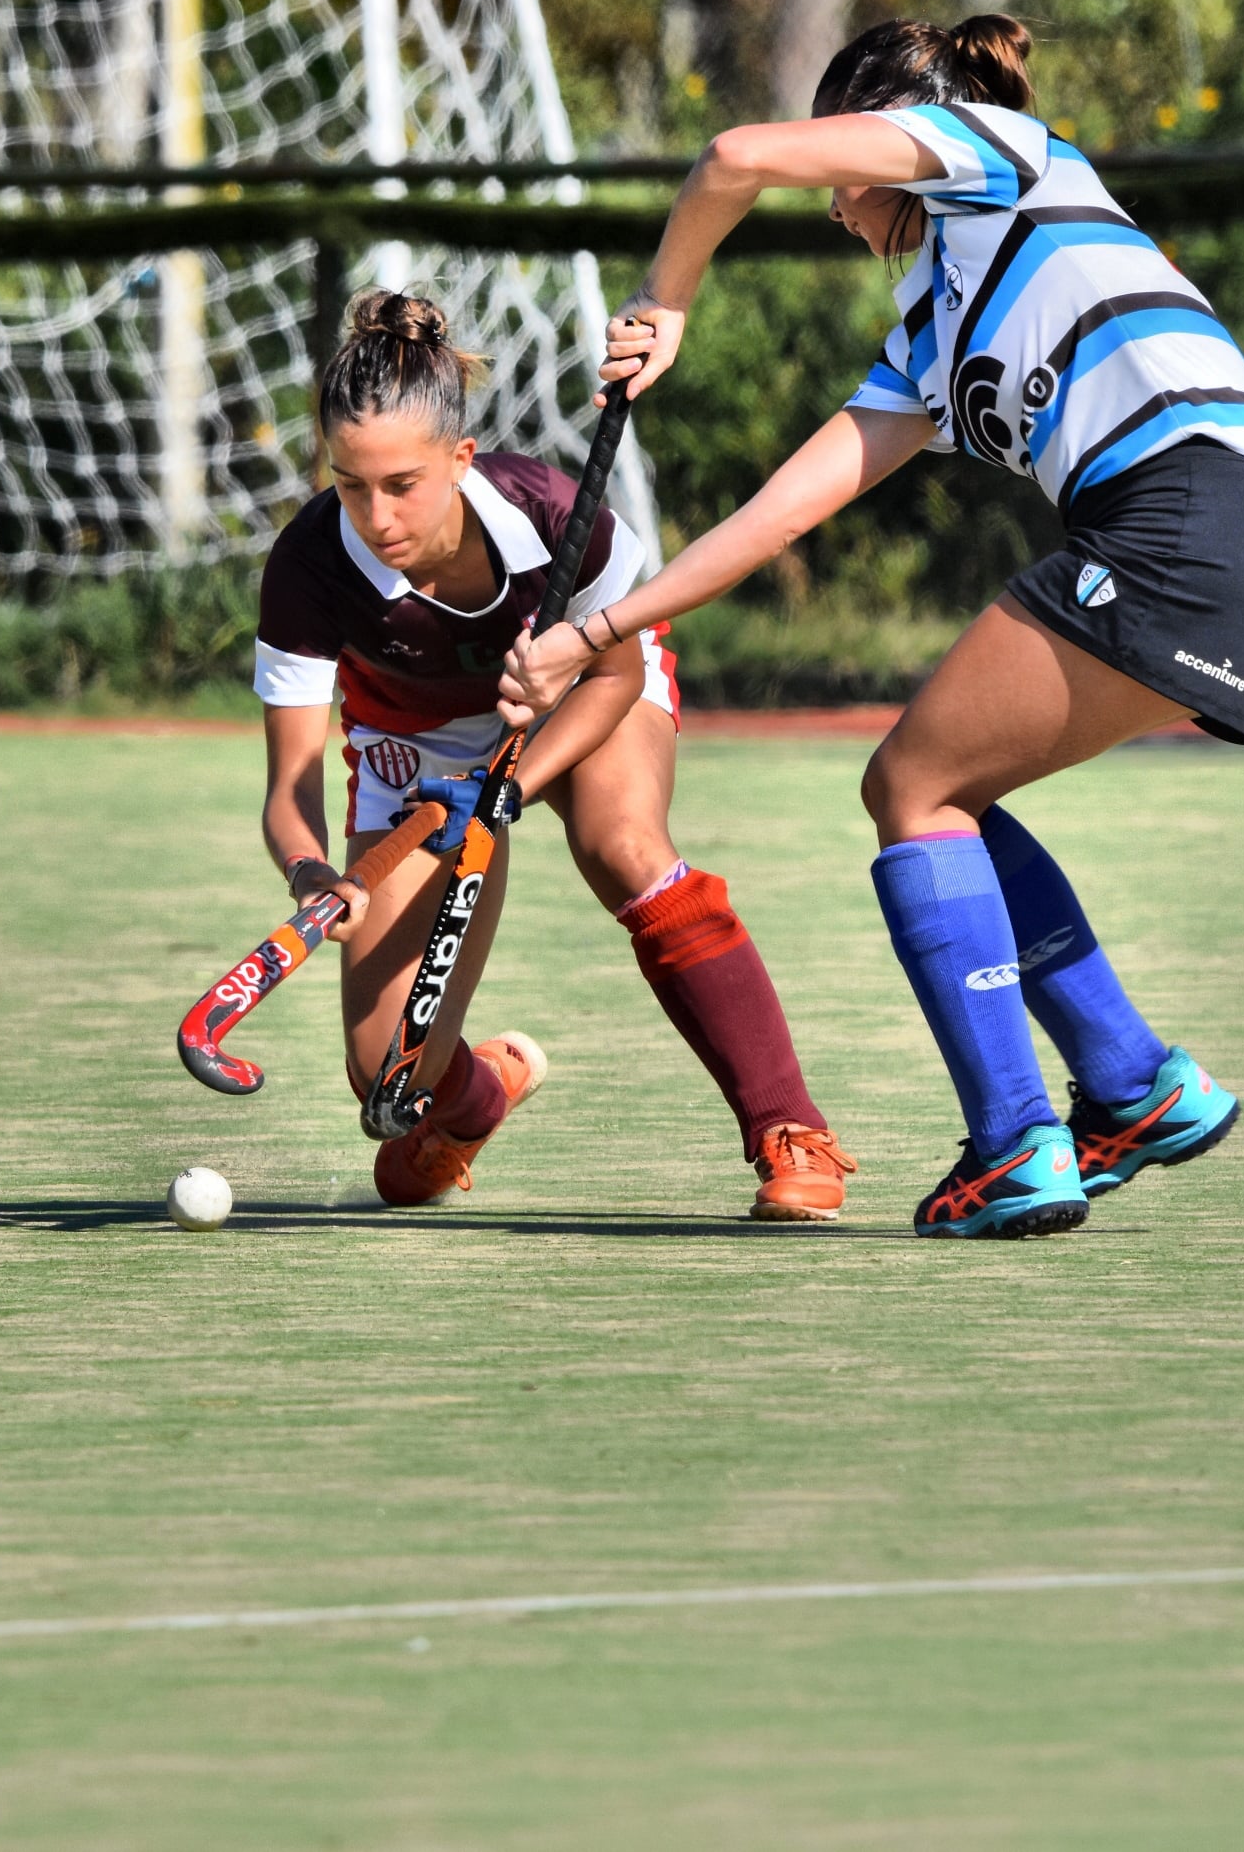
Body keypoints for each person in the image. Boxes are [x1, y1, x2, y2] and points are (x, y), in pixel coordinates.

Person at [498, 15, 1244, 1239]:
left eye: (844, 172)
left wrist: (663, 304)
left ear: (889, 136)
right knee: (947, 795)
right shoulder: (938, 329)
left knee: (912, 788)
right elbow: (779, 515)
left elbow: (729, 156)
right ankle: (1137, 1085)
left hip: (1184, 517)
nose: (833, 204)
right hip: (1241, 542)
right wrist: (593, 630)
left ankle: (1015, 1143)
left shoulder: (996, 152)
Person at [257, 288, 857, 1218]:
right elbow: (289, 784)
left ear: (459, 460)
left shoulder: (546, 514)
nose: (377, 516)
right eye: (350, 484)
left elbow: (614, 678)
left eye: (403, 485)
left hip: (582, 689)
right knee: (384, 1074)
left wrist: (505, 790)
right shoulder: (307, 569)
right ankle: (475, 1100)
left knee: (622, 843)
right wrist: (310, 872)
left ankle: (790, 1131)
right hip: (412, 745)